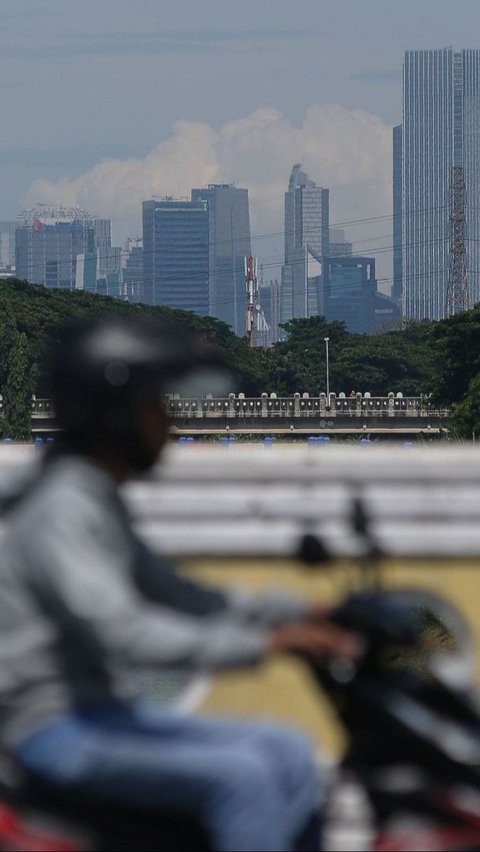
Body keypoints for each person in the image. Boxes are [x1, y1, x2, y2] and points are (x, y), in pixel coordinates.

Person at [0, 317, 359, 852]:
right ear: (115, 415)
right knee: (245, 779)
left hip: (98, 716)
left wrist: (298, 610)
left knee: (288, 752)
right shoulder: (64, 509)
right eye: (155, 406)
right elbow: (125, 632)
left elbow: (182, 595)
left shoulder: (94, 497)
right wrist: (266, 643)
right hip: (53, 730)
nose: (167, 423)